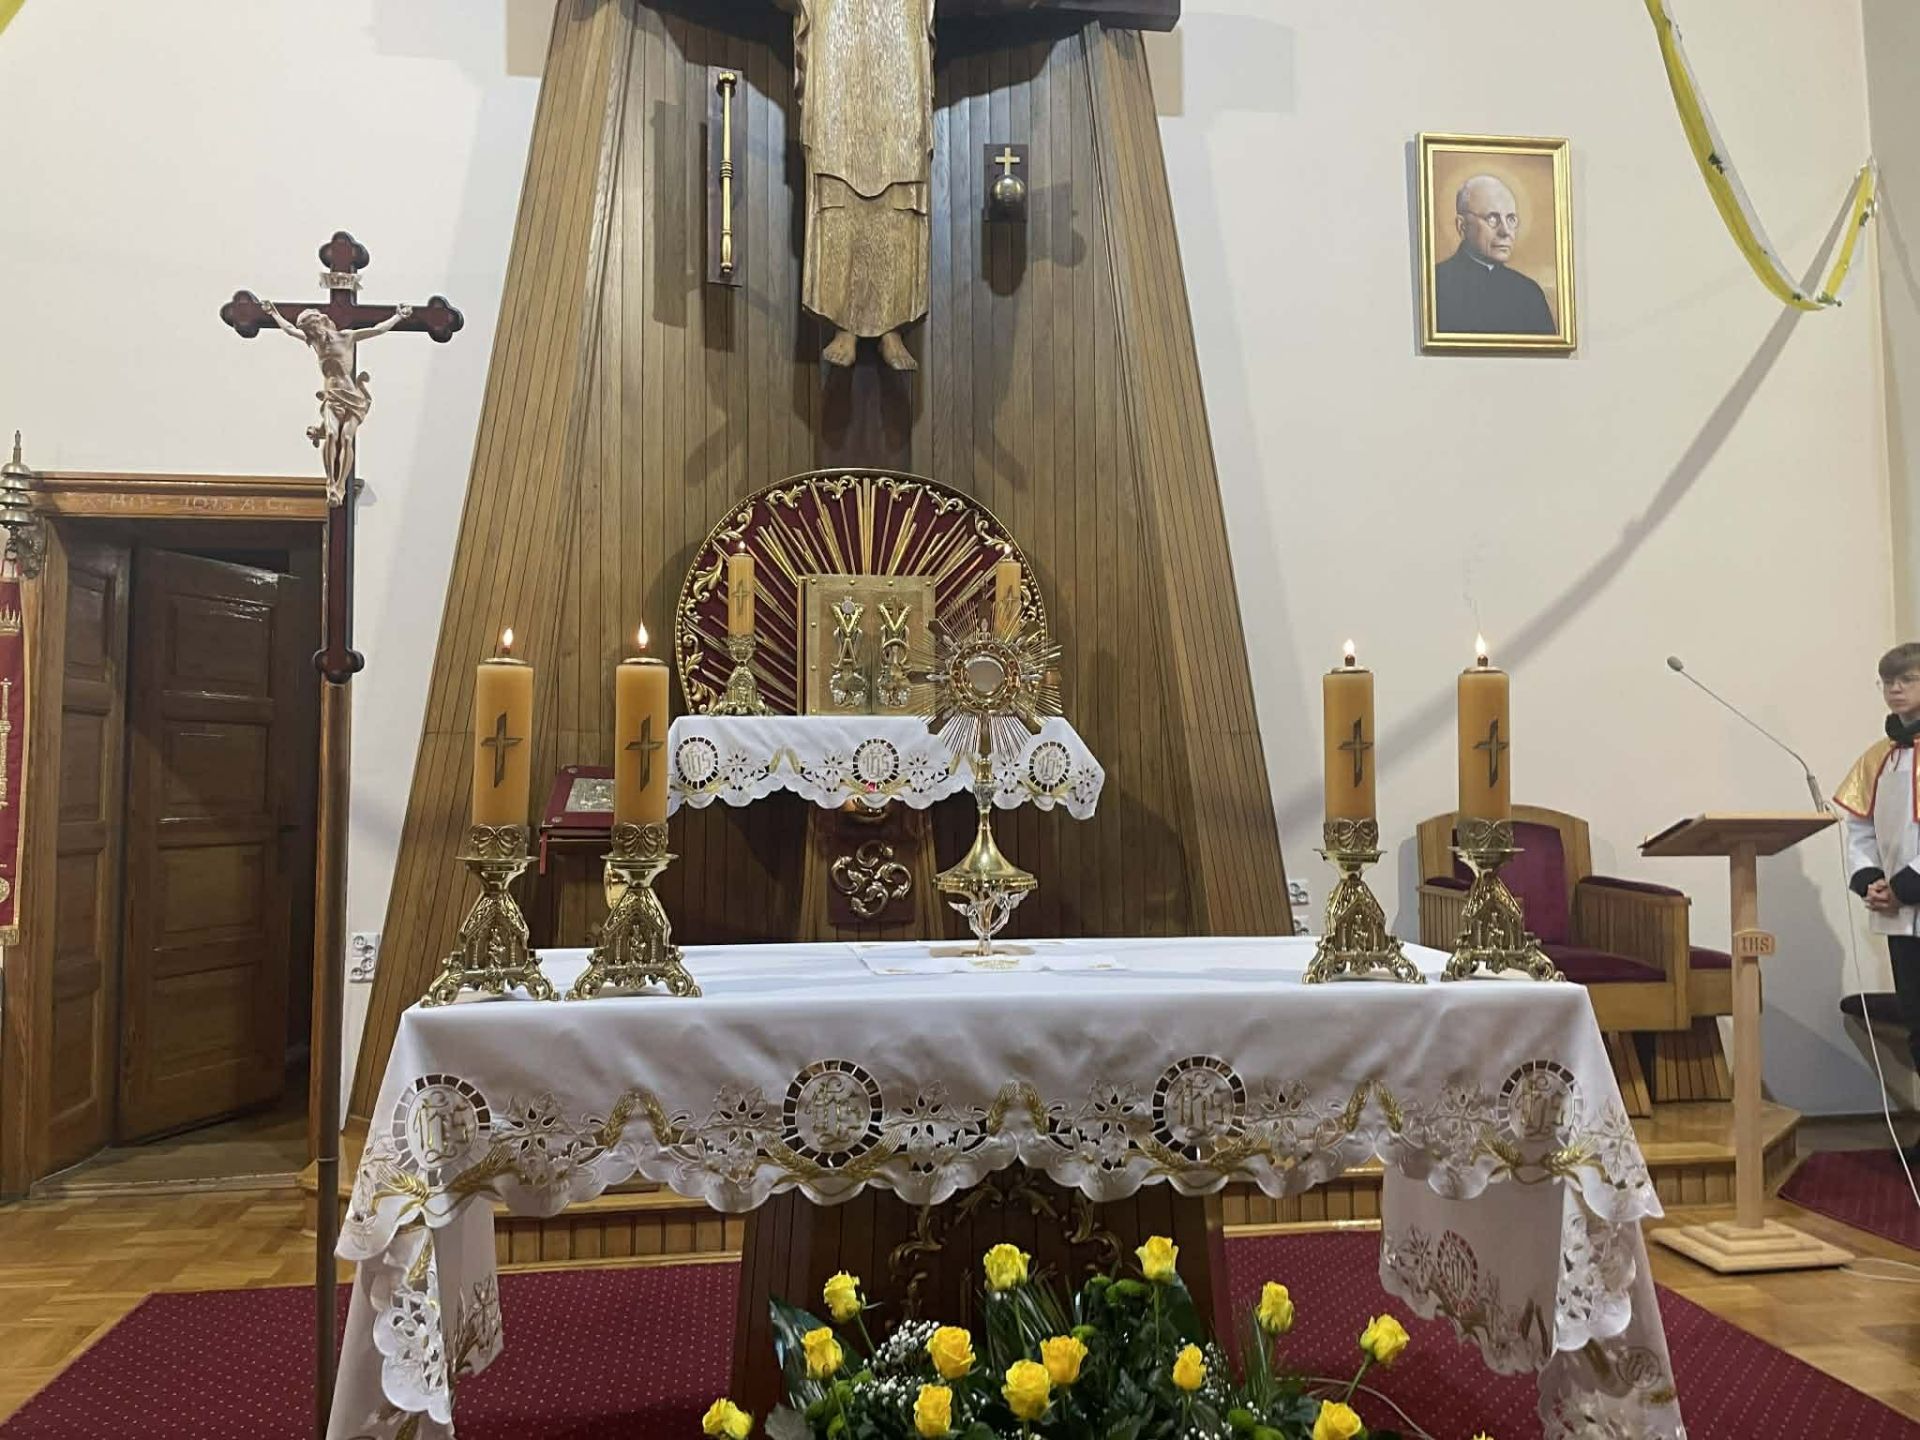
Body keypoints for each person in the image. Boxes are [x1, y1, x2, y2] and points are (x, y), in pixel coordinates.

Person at [1836, 641, 1920, 1149]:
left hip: (1910, 896)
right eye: (1887, 681)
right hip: (1900, 915)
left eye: (1906, 679)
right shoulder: (1879, 758)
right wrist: (1871, 881)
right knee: (1918, 1024)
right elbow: (1859, 828)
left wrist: (1908, 885)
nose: (1894, 688)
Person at [261, 300, 413, 505]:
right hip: (331, 396)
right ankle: (330, 483)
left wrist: (399, 316)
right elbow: (289, 329)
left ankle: (340, 485)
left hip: (352, 397)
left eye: (310, 328)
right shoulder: (314, 342)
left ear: (318, 322)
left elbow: (378, 330)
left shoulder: (346, 337)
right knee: (332, 434)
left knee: (347, 438)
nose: (310, 333)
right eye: (307, 331)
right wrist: (273, 313)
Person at [1432, 174, 1557, 336]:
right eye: (1492, 218)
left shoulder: (1529, 293)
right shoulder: (1436, 285)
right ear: (1462, 226)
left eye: (1511, 219)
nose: (1505, 232)